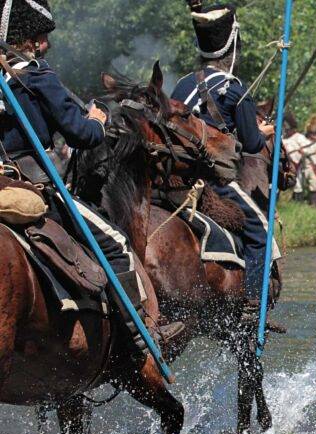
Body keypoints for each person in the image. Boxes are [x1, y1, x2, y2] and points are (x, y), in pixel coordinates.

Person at [0, 0, 183, 358]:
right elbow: (80, 135)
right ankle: (140, 336)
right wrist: (97, 120)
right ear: (30, 41)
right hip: (34, 184)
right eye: (42, 38)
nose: (47, 46)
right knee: (115, 243)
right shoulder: (37, 75)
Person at [172, 2, 281, 310]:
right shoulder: (234, 88)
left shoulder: (181, 84)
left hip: (177, 177)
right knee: (261, 230)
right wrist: (265, 134)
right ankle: (253, 301)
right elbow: (249, 144)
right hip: (213, 180)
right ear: (232, 48)